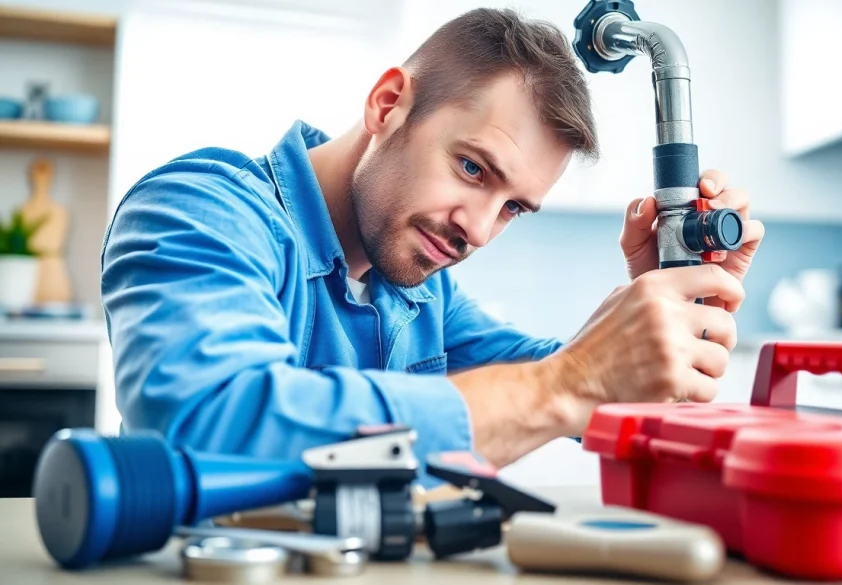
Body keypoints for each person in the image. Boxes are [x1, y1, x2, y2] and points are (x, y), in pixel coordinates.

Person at [100, 7, 764, 485]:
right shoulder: (200, 210)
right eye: (473, 168)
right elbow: (211, 422)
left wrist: (666, 311)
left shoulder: (422, 292)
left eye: (512, 208)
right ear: (388, 103)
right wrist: (573, 380)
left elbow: (564, 377)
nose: (478, 229)